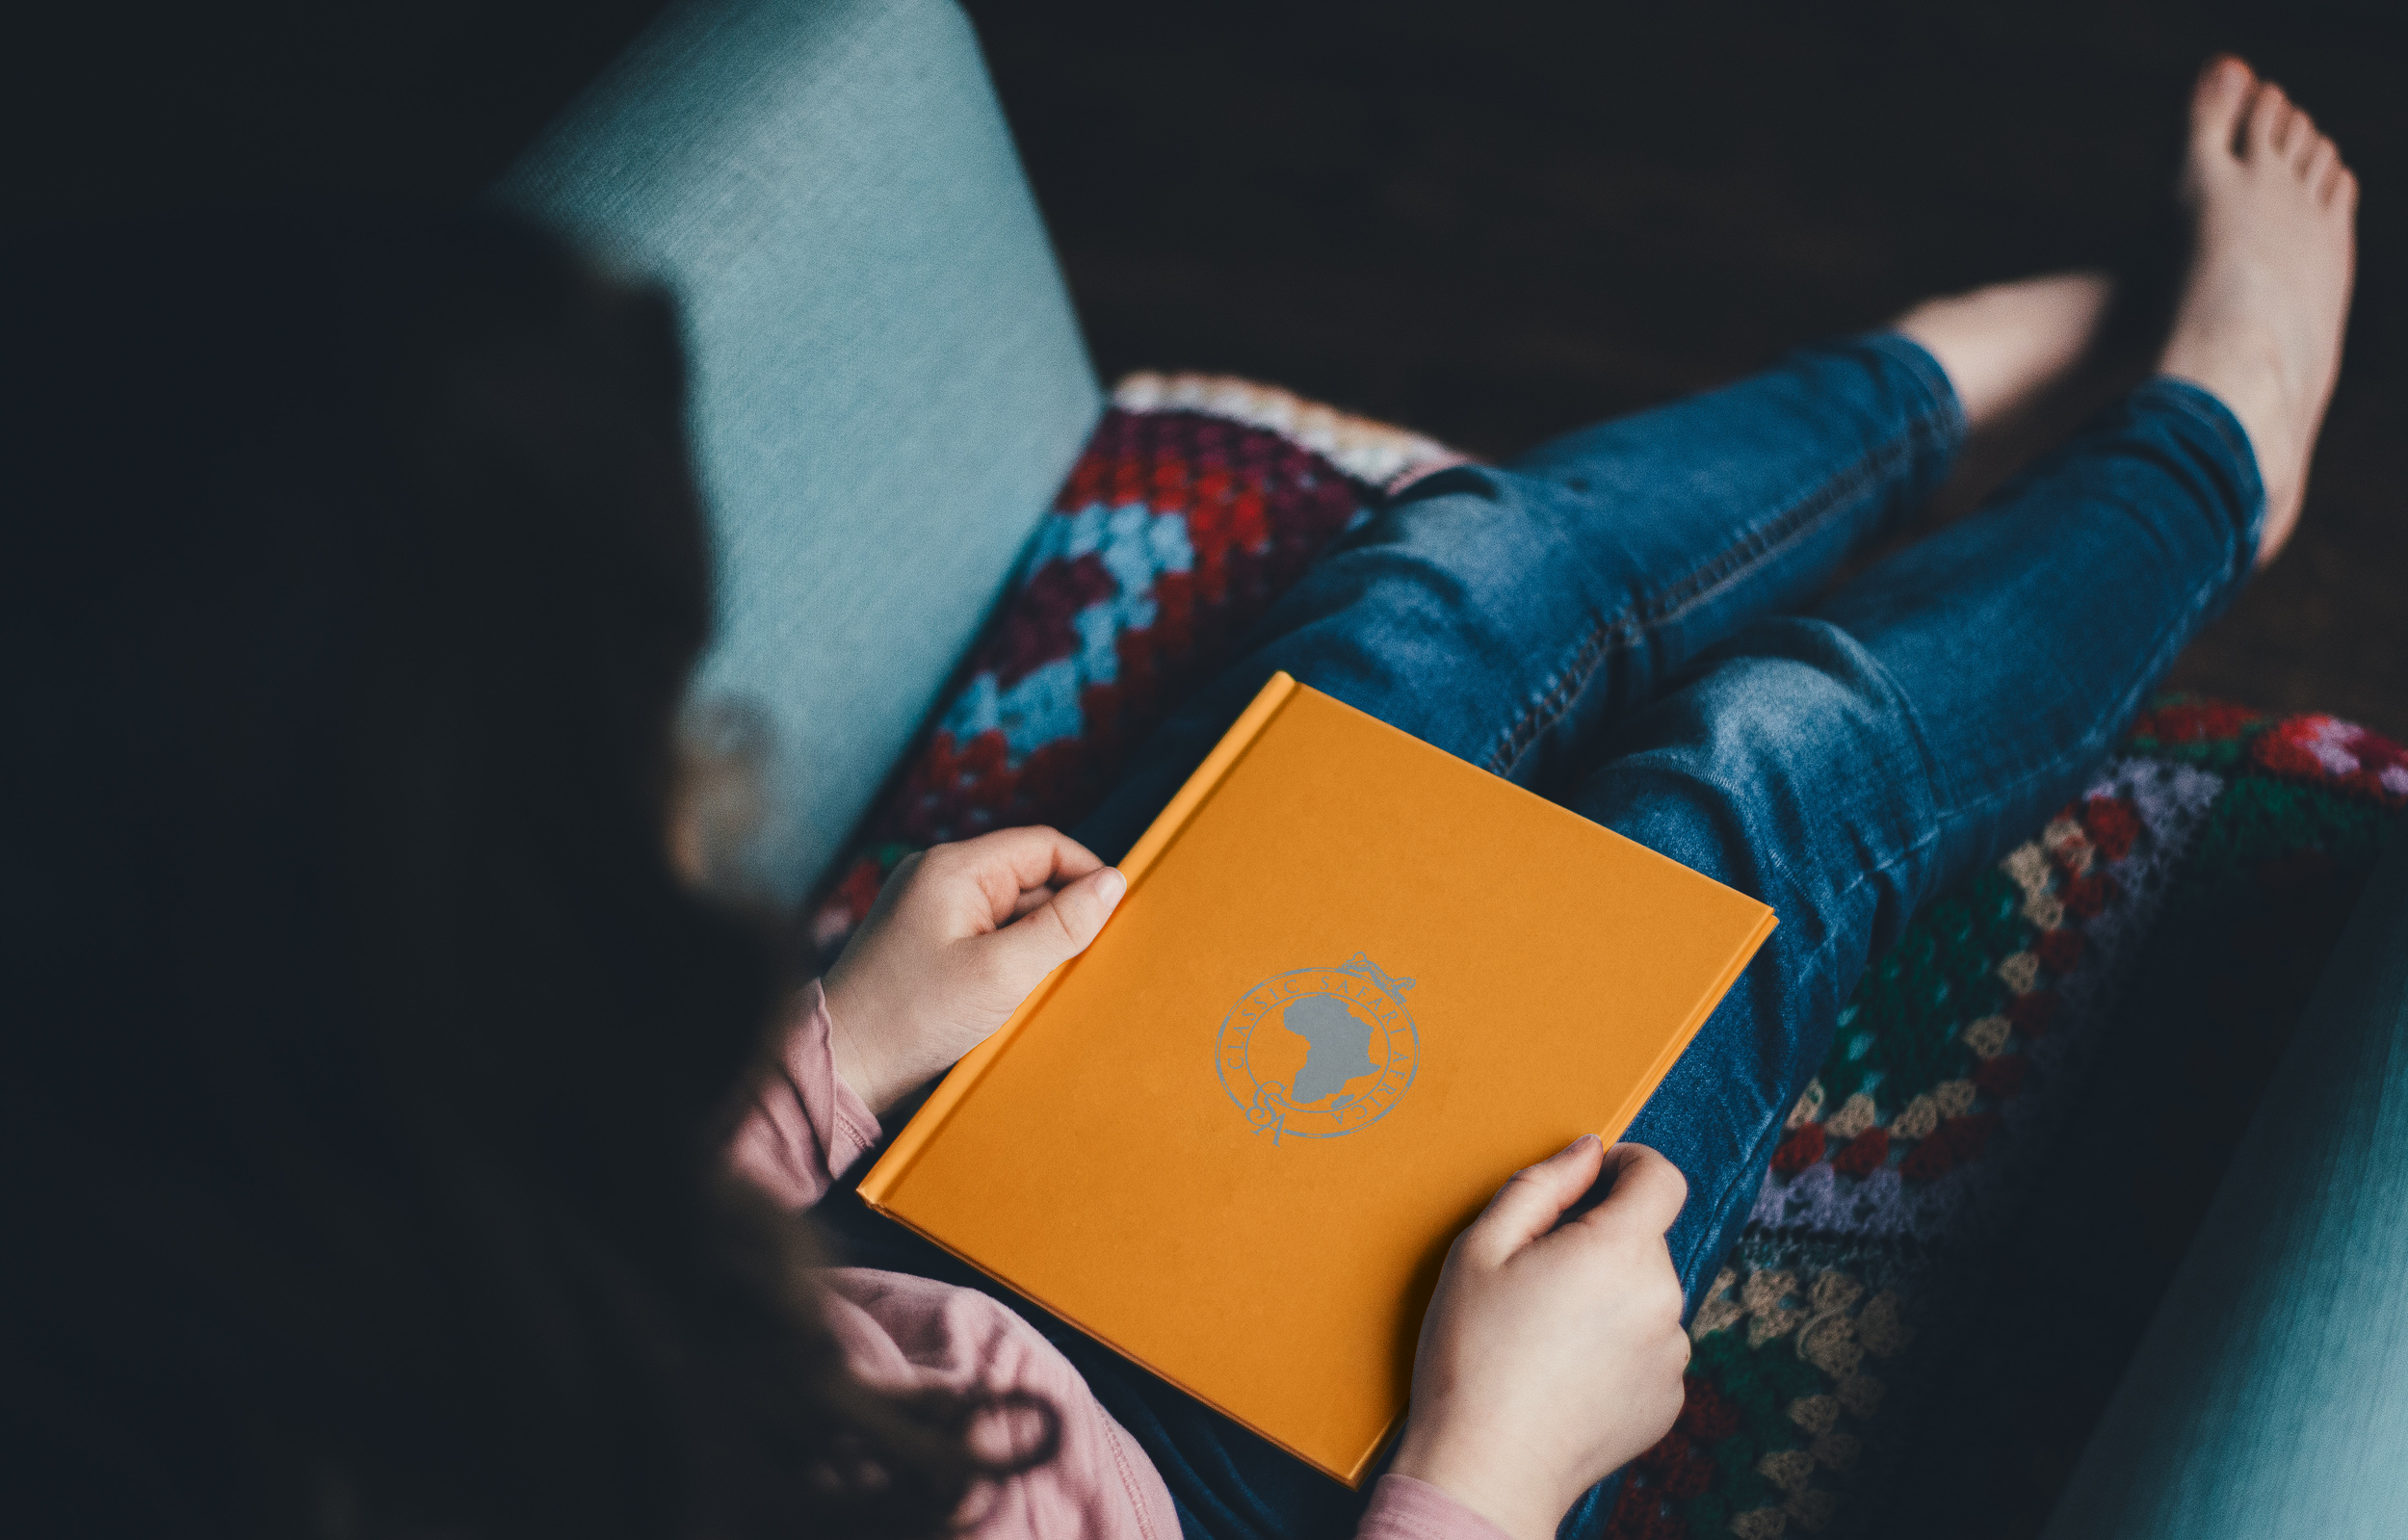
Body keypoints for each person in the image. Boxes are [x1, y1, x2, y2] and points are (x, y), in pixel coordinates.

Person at [9, 52, 2351, 1540]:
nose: (715, 804)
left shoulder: (247, 1221)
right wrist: (1489, 1468)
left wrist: (837, 1049)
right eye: (660, 776)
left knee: (1437, 575)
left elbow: (511, 1188)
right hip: (1262, 1470)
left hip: (925, 1237)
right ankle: (2201, 468)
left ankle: (1916, 400)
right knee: (1754, 778)